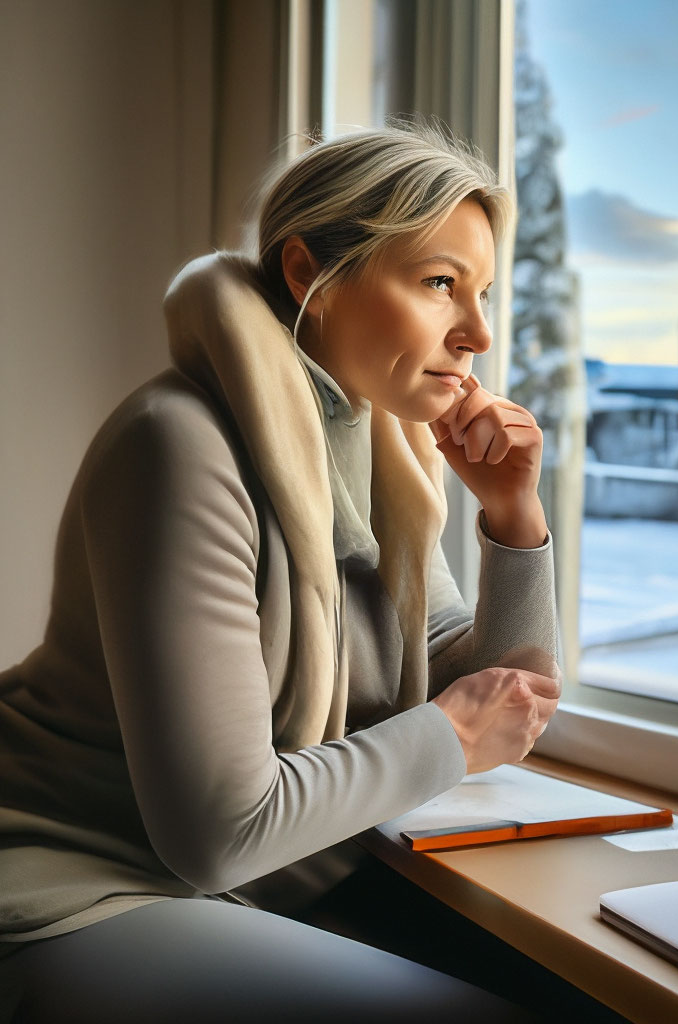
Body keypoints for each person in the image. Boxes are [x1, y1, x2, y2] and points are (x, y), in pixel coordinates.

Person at [0, 122, 562, 1022]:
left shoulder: (386, 447)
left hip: (246, 884)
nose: (478, 334)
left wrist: (514, 518)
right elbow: (221, 834)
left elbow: (513, 695)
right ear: (310, 277)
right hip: (75, 880)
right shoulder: (180, 443)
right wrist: (451, 735)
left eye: (484, 292)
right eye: (439, 285)